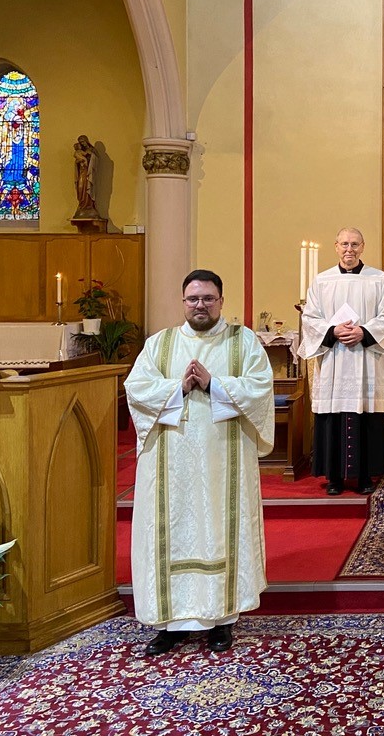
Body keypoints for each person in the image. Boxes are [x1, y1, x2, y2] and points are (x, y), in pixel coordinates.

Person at [124, 270, 275, 656]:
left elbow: (260, 388)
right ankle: (170, 624)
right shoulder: (160, 345)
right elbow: (136, 390)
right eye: (193, 299)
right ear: (183, 301)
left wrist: (214, 384)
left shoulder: (243, 343)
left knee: (219, 529)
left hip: (224, 459)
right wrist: (179, 386)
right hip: (168, 463)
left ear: (221, 301)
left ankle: (222, 621)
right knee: (169, 532)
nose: (200, 306)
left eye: (208, 298)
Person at [299, 227, 384, 495]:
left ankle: (365, 476)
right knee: (333, 416)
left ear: (363, 247)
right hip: (334, 361)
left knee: (365, 413)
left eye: (354, 244)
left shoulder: (379, 279)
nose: (349, 249)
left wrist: (363, 331)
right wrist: (332, 331)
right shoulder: (322, 281)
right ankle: (334, 478)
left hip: (366, 359)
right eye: (344, 244)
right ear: (336, 246)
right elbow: (309, 318)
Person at [72, 134, 98, 218]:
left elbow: (95, 161)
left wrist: (90, 156)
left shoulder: (92, 150)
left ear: (86, 141)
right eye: (80, 142)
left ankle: (89, 206)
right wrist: (78, 162)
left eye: (83, 141)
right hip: (82, 172)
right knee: (80, 188)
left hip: (89, 173)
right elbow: (77, 162)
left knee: (88, 188)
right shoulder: (79, 152)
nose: (82, 143)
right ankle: (82, 205)